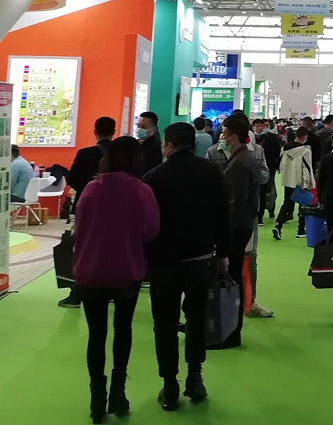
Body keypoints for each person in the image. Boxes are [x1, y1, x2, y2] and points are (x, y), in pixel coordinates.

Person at [143, 123, 230, 410]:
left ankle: (170, 385)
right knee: (196, 318)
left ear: (168, 145)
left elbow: (146, 223)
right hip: (201, 260)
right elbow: (223, 214)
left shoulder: (154, 177)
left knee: (164, 324)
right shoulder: (212, 172)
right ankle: (195, 377)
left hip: (163, 262)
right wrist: (223, 253)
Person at [73, 137, 159, 423]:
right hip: (126, 271)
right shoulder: (142, 190)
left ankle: (96, 398)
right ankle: (118, 393)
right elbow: (151, 231)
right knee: (123, 331)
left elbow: (79, 226)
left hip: (90, 271)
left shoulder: (90, 189)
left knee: (95, 335)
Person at [213, 115, 262, 349]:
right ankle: (228, 327)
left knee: (230, 278)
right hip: (242, 225)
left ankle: (230, 329)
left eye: (224, 133)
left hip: (236, 227)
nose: (221, 137)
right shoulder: (245, 158)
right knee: (232, 277)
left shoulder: (239, 163)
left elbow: (236, 202)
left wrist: (223, 231)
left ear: (233, 136)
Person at [59, 116, 116, 309]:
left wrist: (87, 188)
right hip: (113, 208)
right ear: (113, 131)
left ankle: (76, 294)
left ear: (95, 131)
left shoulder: (85, 153)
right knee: (109, 249)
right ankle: (109, 290)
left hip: (86, 206)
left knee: (82, 249)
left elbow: (72, 179)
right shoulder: (119, 153)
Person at [274, 126, 314, 240]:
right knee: (303, 206)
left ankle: (278, 225)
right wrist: (306, 183)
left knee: (286, 204)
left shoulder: (285, 148)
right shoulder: (306, 150)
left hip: (288, 179)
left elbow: (280, 163)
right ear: (305, 136)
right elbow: (307, 167)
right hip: (300, 181)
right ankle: (301, 229)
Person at [257, 119, 281, 224]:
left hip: (270, 168)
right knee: (260, 193)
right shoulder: (254, 138)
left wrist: (278, 165)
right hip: (258, 169)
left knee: (270, 192)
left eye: (266, 125)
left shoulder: (273, 137)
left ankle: (271, 210)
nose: (263, 127)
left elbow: (277, 152)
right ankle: (259, 215)